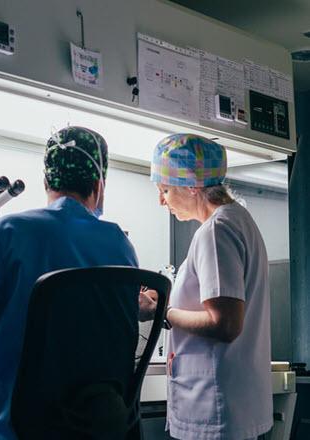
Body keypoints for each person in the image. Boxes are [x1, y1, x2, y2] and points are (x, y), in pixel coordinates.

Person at [0, 126, 138, 439]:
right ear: (99, 184)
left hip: (18, 431)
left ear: (46, 182)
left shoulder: (8, 232)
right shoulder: (122, 245)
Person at [140, 133, 272, 440]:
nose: (161, 200)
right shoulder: (238, 221)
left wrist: (161, 311)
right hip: (230, 403)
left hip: (215, 407)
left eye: (165, 189)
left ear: (192, 185)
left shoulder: (216, 230)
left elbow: (224, 323)